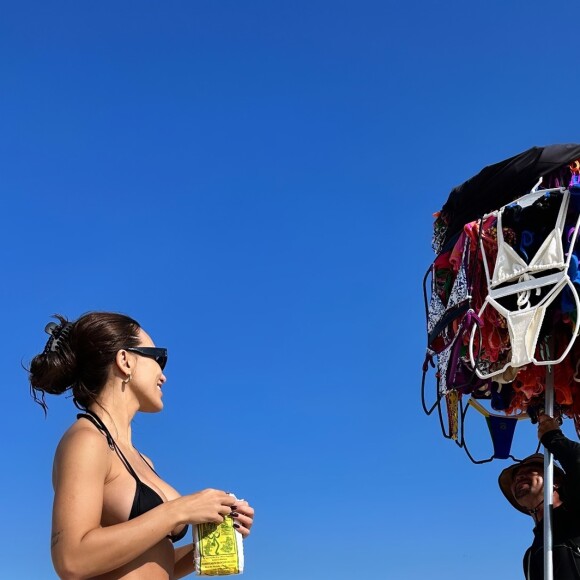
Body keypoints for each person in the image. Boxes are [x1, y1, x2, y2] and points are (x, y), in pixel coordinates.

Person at [28, 312, 254, 580]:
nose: (164, 375)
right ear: (125, 360)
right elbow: (71, 559)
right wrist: (180, 510)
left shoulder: (144, 460)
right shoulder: (87, 440)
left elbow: (151, 563)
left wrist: (211, 542)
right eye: (159, 358)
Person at [498, 413, 580, 579]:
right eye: (516, 478)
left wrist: (554, 438)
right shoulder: (530, 556)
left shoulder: (575, 516)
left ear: (556, 482)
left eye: (530, 470)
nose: (519, 477)